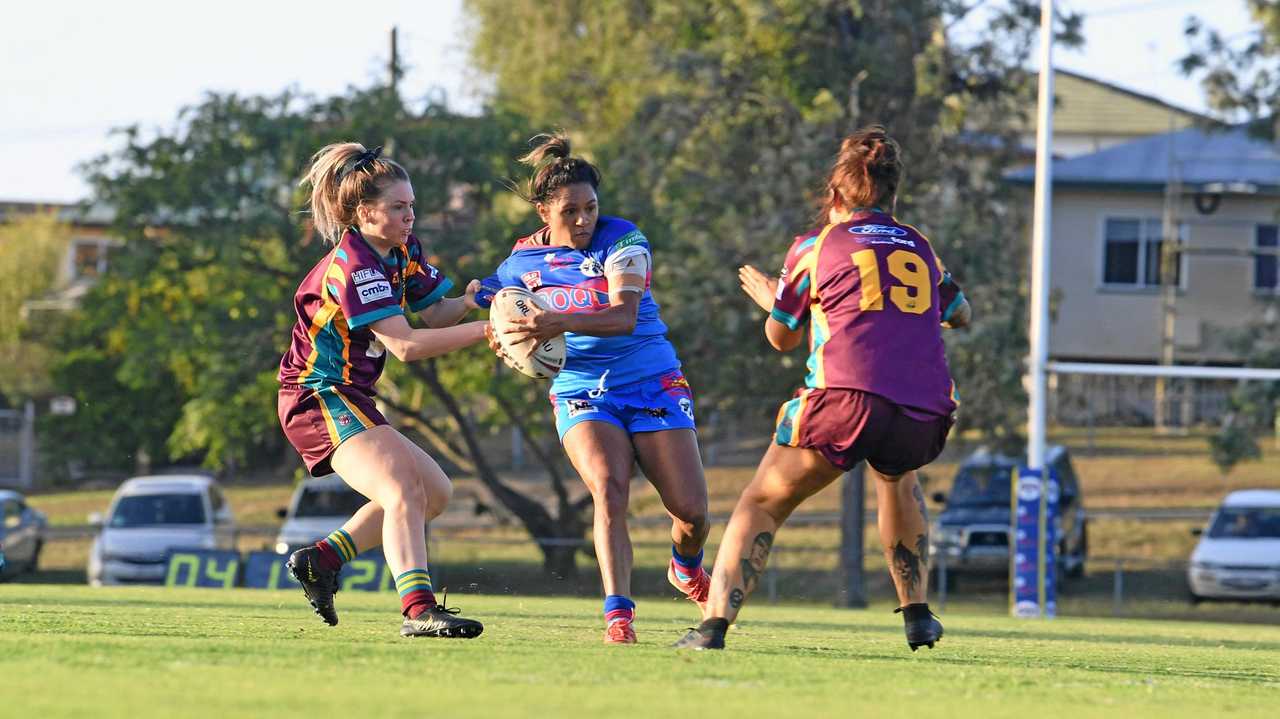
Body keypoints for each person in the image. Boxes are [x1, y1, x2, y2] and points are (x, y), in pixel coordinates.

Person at [676, 125, 971, 651]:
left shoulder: (816, 247)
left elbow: (782, 338)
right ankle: (918, 614)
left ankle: (712, 626)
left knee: (762, 502)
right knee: (898, 478)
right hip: (925, 408)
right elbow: (961, 314)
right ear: (893, 195)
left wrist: (774, 301)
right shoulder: (920, 246)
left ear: (834, 194)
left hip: (844, 399)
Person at [476, 134, 710, 644]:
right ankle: (618, 616)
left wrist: (552, 321)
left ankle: (685, 567)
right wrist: (502, 335)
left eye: (591, 208)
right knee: (608, 488)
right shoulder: (518, 265)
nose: (584, 220)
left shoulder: (624, 240)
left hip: (652, 379)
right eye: (570, 211)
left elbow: (624, 316)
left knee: (691, 513)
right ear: (543, 211)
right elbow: (487, 307)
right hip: (583, 387)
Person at [277, 142, 487, 639]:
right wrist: (491, 334)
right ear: (363, 212)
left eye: (412, 205)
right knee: (399, 489)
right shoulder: (354, 265)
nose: (410, 215)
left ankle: (321, 560)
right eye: (399, 207)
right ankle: (418, 609)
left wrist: (473, 301)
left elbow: (434, 314)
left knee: (434, 493)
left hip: (350, 395)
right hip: (318, 395)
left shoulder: (401, 251)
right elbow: (406, 345)